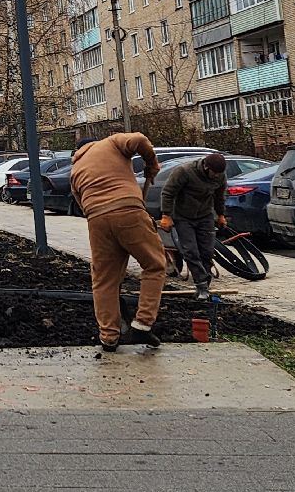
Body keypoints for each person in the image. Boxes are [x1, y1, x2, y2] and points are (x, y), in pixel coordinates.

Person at [69, 133, 166, 351]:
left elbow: (80, 203)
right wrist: (151, 163)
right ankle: (142, 324)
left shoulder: (75, 170)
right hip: (128, 210)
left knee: (104, 279)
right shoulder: (111, 143)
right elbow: (140, 139)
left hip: (97, 220)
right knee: (155, 264)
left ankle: (109, 336)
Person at [159, 152, 228, 301]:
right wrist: (166, 215)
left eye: (219, 174)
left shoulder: (220, 176)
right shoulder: (184, 171)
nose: (216, 176)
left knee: (207, 252)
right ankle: (201, 285)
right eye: (214, 173)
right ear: (206, 167)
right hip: (184, 217)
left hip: (205, 216)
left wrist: (221, 215)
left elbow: (220, 196)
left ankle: (205, 285)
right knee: (191, 251)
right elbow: (168, 193)